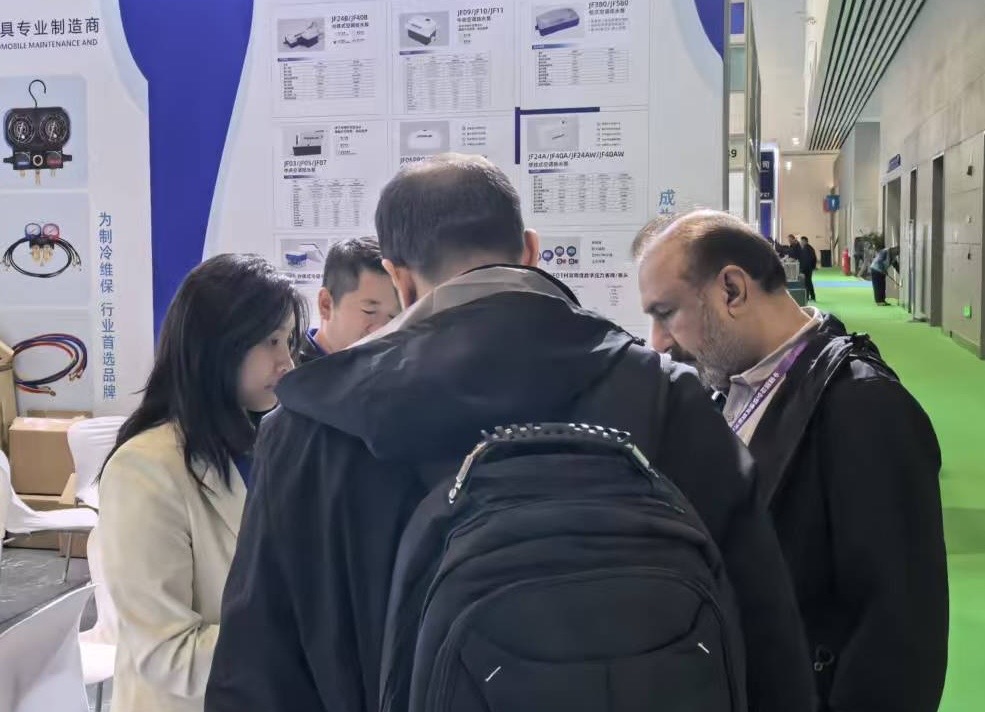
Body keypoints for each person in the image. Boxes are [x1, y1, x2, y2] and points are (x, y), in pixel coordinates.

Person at [207, 154, 813, 712]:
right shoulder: (667, 397)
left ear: (399, 278)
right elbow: (769, 641)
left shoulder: (311, 430)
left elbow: (258, 678)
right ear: (530, 250)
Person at [634, 210, 948, 712]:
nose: (657, 341)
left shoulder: (864, 407)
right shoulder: (724, 393)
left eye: (666, 312)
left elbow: (900, 631)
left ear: (732, 290)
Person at [99, 254, 307, 712]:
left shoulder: (266, 445)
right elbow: (167, 654)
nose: (287, 362)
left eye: (289, 341)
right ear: (218, 345)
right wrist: (309, 641)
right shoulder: (145, 470)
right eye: (271, 341)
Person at [297, 235, 399, 363]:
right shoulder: (285, 369)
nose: (382, 330)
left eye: (394, 316)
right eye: (369, 311)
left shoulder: (393, 367)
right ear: (326, 305)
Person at [799, 235, 818, 302]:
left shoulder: (807, 249)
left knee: (807, 283)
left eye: (801, 241)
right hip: (808, 268)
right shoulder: (807, 248)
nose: (801, 242)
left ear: (805, 241)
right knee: (808, 282)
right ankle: (812, 296)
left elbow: (809, 259)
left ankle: (808, 297)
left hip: (807, 268)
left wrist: (804, 268)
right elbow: (814, 258)